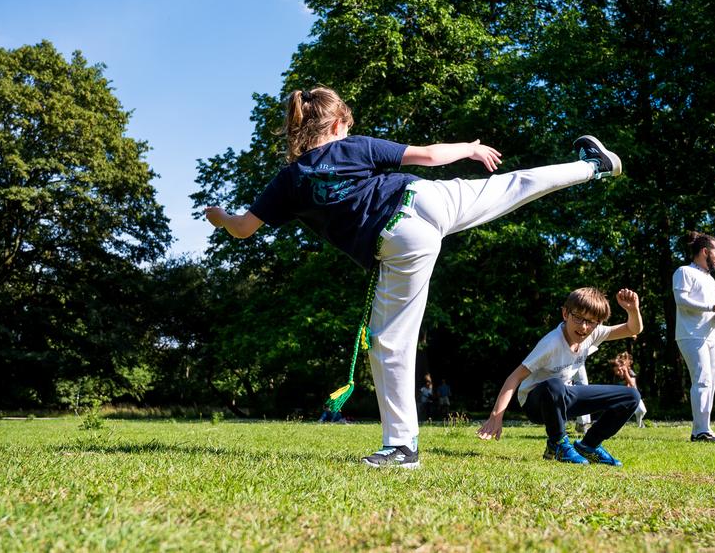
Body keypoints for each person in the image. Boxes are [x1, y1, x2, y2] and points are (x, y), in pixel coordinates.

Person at [204, 86, 623, 469]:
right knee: (513, 185)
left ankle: (402, 447)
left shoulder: (289, 180)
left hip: (401, 237)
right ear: (337, 124)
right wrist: (470, 149)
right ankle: (594, 166)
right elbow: (427, 154)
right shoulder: (357, 147)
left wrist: (220, 217)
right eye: (347, 124)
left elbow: (243, 228)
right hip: (427, 196)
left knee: (390, 343)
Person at [477, 287, 643, 466]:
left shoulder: (593, 333)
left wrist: (632, 310)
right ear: (565, 314)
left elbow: (633, 329)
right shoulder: (551, 344)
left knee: (630, 397)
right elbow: (514, 377)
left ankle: (589, 446)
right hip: (536, 403)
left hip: (563, 398)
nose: (584, 326)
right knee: (554, 385)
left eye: (591, 321)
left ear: (597, 323)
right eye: (577, 318)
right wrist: (496, 416)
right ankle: (557, 443)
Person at [673, 231, 715, 443]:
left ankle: (703, 428)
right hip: (690, 335)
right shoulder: (684, 272)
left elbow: (712, 312)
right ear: (704, 251)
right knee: (702, 380)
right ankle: (700, 431)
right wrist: (713, 306)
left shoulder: (711, 281)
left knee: (711, 382)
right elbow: (681, 301)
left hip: (710, 336)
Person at [610, 351, 647, 427]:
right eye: (616, 367)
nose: (618, 369)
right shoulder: (616, 377)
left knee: (642, 411)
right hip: (622, 397)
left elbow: (632, 385)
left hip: (634, 395)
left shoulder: (630, 372)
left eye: (620, 367)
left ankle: (639, 423)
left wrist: (626, 373)